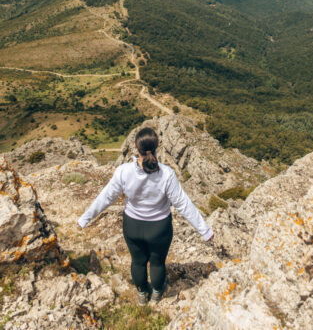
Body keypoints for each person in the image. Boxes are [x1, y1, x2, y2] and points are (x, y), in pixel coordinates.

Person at [78, 127, 214, 305]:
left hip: (132, 226)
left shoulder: (123, 171)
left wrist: (85, 218)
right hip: (159, 228)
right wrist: (204, 230)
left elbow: (106, 198)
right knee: (157, 263)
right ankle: (157, 294)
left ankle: (142, 294)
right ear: (158, 146)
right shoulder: (167, 174)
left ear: (135, 146)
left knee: (138, 262)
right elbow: (183, 203)